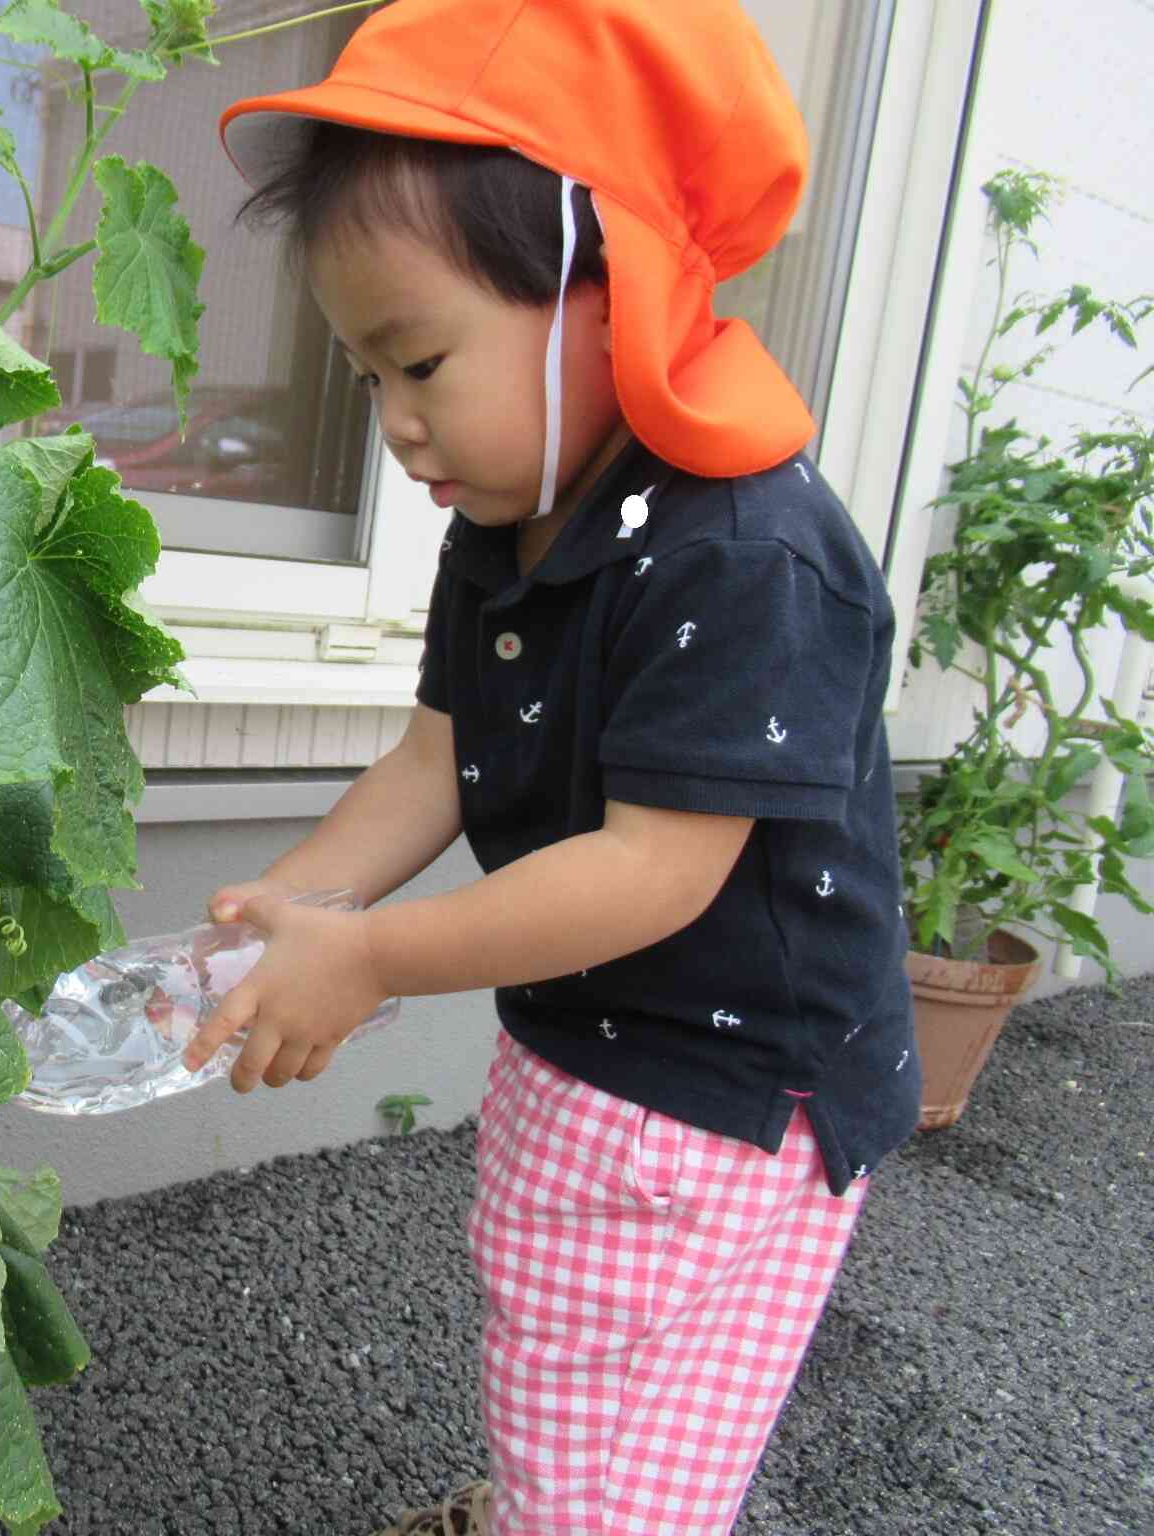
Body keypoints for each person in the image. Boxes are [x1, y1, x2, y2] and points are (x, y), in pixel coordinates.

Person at [182, 2, 921, 1531]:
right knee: (566, 1340)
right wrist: (300, 911)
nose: (393, 425)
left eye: (421, 361)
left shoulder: (747, 551)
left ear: (613, 285)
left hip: (718, 1102)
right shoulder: (509, 524)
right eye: (364, 376)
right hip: (594, 1042)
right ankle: (552, 1489)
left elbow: (657, 867)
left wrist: (372, 954)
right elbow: (436, 759)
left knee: (614, 1393)